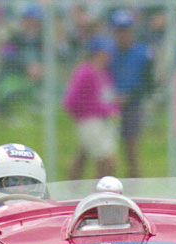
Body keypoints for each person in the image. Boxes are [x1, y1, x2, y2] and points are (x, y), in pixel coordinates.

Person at [62, 36, 120, 179]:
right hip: (89, 121)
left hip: (102, 122)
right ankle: (99, 193)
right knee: (108, 160)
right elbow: (71, 100)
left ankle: (77, 191)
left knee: (83, 159)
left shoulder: (104, 73)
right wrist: (98, 111)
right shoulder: (86, 71)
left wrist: (112, 109)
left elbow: (108, 97)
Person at [110, 9, 154, 178]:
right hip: (108, 107)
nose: (122, 35)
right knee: (105, 155)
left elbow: (149, 85)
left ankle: (135, 192)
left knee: (132, 153)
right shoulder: (108, 53)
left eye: (125, 30)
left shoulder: (143, 53)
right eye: (119, 31)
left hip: (132, 107)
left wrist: (129, 96)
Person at [0, 4, 44, 113]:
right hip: (13, 78)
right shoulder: (13, 38)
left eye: (35, 20)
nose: (31, 23)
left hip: (36, 80)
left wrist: (40, 69)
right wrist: (27, 67)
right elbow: (7, 58)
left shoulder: (42, 40)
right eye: (28, 20)